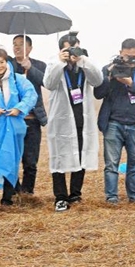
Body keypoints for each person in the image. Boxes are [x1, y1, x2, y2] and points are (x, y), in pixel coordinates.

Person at [43, 33, 104, 212]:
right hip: (61, 120)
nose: (71, 53)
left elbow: (98, 80)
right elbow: (49, 83)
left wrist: (83, 60)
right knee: (59, 158)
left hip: (81, 119)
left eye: (74, 48)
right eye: (67, 50)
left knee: (81, 155)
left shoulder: (84, 65)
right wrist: (60, 63)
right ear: (60, 50)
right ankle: (60, 197)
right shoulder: (54, 64)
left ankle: (75, 193)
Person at [94, 38, 135, 205]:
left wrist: (130, 83)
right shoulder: (109, 68)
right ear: (121, 53)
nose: (132, 60)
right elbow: (98, 93)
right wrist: (109, 75)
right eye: (128, 57)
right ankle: (111, 197)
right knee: (111, 163)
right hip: (113, 122)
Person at [0, 48, 36, 209]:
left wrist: (19, 108)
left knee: (12, 160)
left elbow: (31, 95)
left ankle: (7, 198)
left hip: (14, 127)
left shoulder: (17, 79)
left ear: (7, 62)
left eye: (2, 62)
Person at [11, 34, 47, 195]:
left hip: (33, 120)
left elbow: (46, 82)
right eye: (14, 44)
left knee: (30, 161)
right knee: (12, 158)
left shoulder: (39, 64)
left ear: (30, 48)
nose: (17, 47)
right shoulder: (7, 64)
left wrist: (30, 68)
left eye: (21, 44)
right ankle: (12, 192)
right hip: (12, 119)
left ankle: (27, 194)